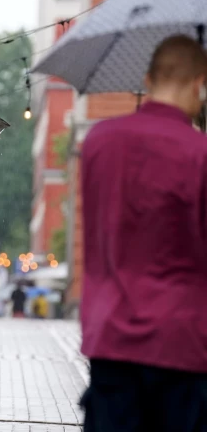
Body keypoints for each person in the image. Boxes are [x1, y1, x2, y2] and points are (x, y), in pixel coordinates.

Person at [79, 35, 207, 432]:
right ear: (199, 83)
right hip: (182, 339)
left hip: (110, 334)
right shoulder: (199, 153)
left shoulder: (98, 141)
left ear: (149, 78)